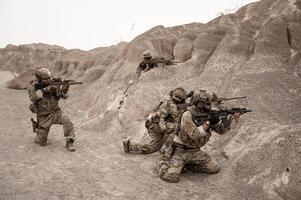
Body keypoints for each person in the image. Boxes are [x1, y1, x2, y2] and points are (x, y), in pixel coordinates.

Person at [155, 92, 241, 183]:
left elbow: (221, 131)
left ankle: (185, 164)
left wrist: (229, 118)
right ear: (199, 103)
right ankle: (162, 162)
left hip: (194, 151)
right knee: (171, 177)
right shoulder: (188, 114)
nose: (210, 106)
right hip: (180, 150)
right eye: (207, 104)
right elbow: (194, 134)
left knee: (214, 168)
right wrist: (208, 123)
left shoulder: (209, 114)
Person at [123, 87, 188, 154]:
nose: (177, 99)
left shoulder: (167, 101)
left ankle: (129, 146)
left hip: (154, 124)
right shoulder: (171, 105)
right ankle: (167, 149)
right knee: (178, 128)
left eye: (179, 98)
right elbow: (178, 118)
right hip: (156, 125)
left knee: (153, 148)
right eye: (177, 96)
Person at [27, 68, 75, 152]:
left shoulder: (53, 84)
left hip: (56, 113)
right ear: (39, 78)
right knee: (41, 142)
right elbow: (33, 98)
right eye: (45, 79)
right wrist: (46, 90)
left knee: (66, 120)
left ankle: (69, 141)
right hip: (44, 116)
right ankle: (38, 128)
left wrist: (64, 89)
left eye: (49, 78)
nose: (48, 80)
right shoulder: (33, 86)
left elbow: (64, 97)